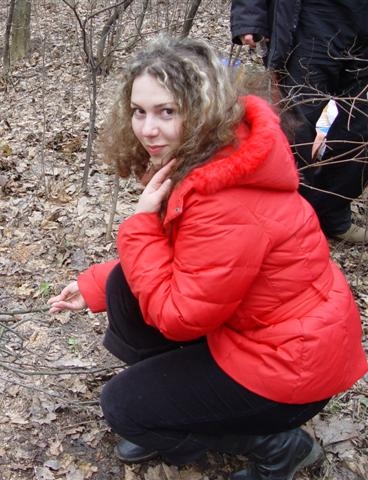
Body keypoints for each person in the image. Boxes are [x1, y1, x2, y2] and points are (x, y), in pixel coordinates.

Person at [48, 35, 367, 480]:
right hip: (263, 337)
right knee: (122, 287)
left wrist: (139, 224)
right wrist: (94, 285)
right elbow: (188, 260)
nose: (147, 128)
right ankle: (173, 406)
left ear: (201, 110)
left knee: (122, 407)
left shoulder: (225, 199)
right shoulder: (210, 158)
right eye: (139, 111)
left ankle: (278, 445)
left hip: (288, 370)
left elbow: (179, 316)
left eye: (167, 111)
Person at [230, 0, 368, 244]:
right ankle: (288, 218)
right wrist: (249, 17)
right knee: (297, 126)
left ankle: (332, 213)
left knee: (361, 129)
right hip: (311, 19)